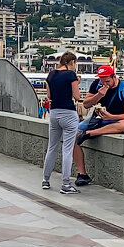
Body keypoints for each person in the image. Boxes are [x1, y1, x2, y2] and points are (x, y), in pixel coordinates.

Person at [74, 65, 124, 186]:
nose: (105, 83)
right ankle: (82, 174)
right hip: (98, 119)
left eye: (107, 81)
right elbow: (86, 104)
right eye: (102, 80)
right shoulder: (96, 85)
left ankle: (91, 133)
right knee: (73, 136)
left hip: (115, 120)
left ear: (114, 77)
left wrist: (111, 117)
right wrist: (99, 95)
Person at [42, 52, 82, 194]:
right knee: (67, 149)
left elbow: (49, 96)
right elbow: (76, 96)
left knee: (52, 147)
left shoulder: (51, 75)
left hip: (54, 113)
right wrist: (78, 83)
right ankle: (65, 184)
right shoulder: (71, 75)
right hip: (69, 114)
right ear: (71, 62)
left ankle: (45, 180)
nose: (75, 66)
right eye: (75, 63)